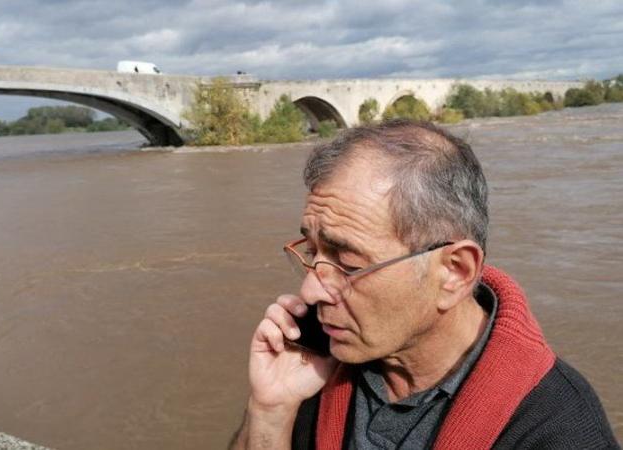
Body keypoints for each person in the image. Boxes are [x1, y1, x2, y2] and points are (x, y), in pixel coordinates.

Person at [229, 120, 618, 449]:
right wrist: (270, 410)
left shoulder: (557, 428)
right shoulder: (315, 361)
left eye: (347, 263)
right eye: (312, 253)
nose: (310, 292)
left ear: (454, 272)